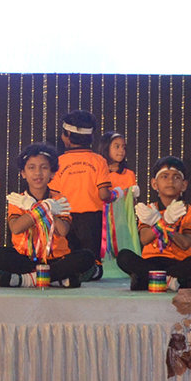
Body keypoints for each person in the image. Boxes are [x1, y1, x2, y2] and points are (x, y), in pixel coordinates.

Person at [0, 143, 94, 287]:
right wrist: (41, 208)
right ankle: (57, 278)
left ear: (52, 173)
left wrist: (48, 207)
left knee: (86, 257)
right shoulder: (18, 200)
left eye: (44, 168)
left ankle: (28, 280)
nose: (38, 173)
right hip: (26, 258)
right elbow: (16, 228)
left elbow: (63, 230)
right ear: (23, 173)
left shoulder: (59, 199)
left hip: (55, 259)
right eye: (31, 167)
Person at [116, 156, 191, 292]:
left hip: (178, 262)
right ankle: (175, 281)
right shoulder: (149, 209)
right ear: (154, 184)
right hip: (151, 261)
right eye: (165, 176)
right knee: (123, 256)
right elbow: (144, 239)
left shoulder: (190, 210)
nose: (170, 181)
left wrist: (168, 227)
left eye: (176, 177)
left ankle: (150, 279)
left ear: (184, 185)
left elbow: (185, 244)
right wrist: (163, 221)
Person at [52, 110, 113, 278]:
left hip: (65, 217)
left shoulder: (58, 162)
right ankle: (91, 270)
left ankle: (71, 271)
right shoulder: (99, 161)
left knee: (69, 253)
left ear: (67, 136)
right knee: (90, 255)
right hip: (92, 219)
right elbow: (103, 194)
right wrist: (115, 195)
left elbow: (54, 194)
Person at [96, 130, 140, 271]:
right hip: (103, 221)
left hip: (122, 222)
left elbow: (130, 204)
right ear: (106, 147)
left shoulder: (129, 174)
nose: (121, 150)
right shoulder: (99, 172)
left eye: (123, 147)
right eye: (117, 146)